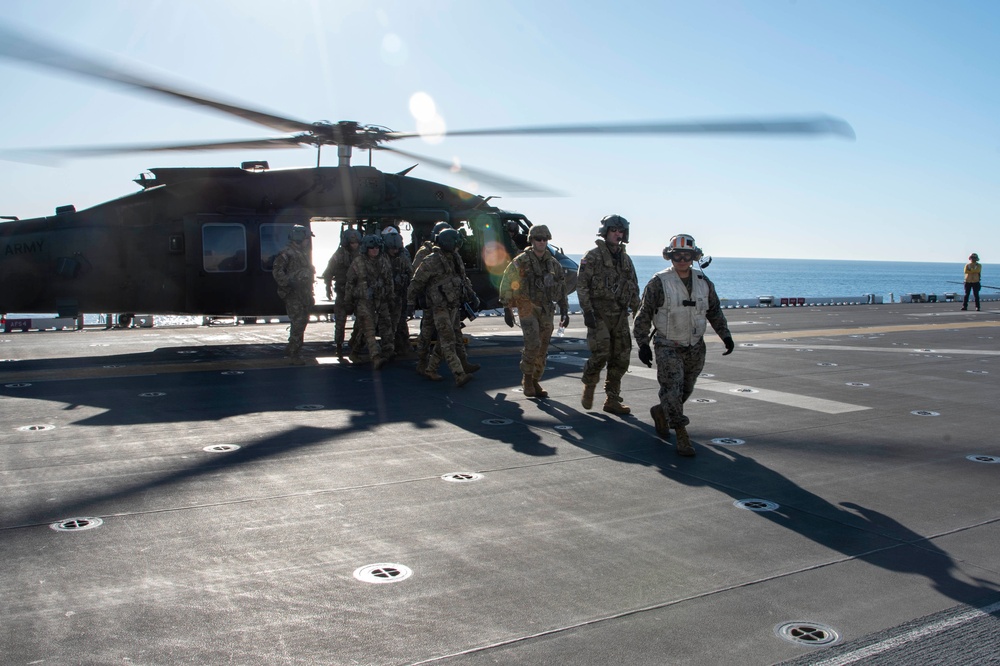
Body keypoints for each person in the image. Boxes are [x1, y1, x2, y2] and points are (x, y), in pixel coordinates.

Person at [633, 234, 734, 456]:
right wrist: (642, 344)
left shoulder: (703, 282)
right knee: (672, 389)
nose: (681, 259)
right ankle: (681, 434)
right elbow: (644, 314)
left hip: (696, 346)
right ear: (670, 256)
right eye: (677, 255)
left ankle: (661, 411)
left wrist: (725, 335)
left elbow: (714, 311)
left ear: (694, 256)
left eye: (686, 255)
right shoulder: (658, 282)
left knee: (685, 389)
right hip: (667, 345)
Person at [576, 214, 640, 415]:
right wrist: (587, 311)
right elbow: (582, 285)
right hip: (599, 314)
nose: (618, 234)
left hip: (619, 315)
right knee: (600, 354)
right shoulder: (592, 256)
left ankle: (612, 399)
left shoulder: (626, 259)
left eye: (621, 231)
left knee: (621, 358)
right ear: (605, 232)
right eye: (614, 230)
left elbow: (634, 287)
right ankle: (590, 384)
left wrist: (639, 312)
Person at [500, 224, 569, 398]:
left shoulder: (553, 264)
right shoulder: (521, 261)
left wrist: (564, 311)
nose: (542, 242)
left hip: (546, 308)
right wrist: (507, 309)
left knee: (543, 347)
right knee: (532, 344)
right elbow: (506, 282)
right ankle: (527, 379)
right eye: (538, 239)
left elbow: (561, 287)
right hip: (527, 307)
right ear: (531, 240)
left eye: (545, 239)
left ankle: (536, 380)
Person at [406, 228, 476, 387]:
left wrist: (472, 296)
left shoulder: (455, 258)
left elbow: (463, 279)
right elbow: (416, 283)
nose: (459, 246)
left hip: (453, 304)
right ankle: (459, 374)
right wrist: (410, 303)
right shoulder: (431, 260)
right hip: (439, 307)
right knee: (448, 339)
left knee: (444, 340)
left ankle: (431, 369)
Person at [345, 234, 395, 369]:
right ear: (366, 248)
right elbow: (350, 283)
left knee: (386, 327)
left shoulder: (384, 261)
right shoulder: (358, 262)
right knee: (369, 329)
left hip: (381, 300)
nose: (375, 250)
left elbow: (389, 280)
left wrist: (390, 297)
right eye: (372, 247)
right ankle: (375, 356)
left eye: (377, 247)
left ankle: (386, 351)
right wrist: (348, 302)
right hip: (364, 301)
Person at [272, 225, 316, 364]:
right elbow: (277, 272)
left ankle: (292, 349)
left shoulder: (301, 253)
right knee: (298, 324)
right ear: (299, 238)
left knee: (301, 323)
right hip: (294, 295)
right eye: (306, 239)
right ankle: (293, 354)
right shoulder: (287, 253)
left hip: (303, 294)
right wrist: (290, 283)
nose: (308, 241)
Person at [322, 228, 361, 357]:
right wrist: (328, 288)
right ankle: (338, 346)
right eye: (352, 243)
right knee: (339, 323)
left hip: (357, 294)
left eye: (356, 243)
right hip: (343, 294)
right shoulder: (338, 255)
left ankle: (354, 342)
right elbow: (328, 273)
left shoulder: (362, 255)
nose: (354, 245)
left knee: (362, 320)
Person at [382, 229, 414, 356]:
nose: (394, 251)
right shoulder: (381, 256)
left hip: (400, 294)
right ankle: (388, 347)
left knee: (400, 321)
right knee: (386, 322)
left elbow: (410, 273)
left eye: (396, 249)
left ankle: (402, 345)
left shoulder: (403, 256)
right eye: (391, 249)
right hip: (385, 295)